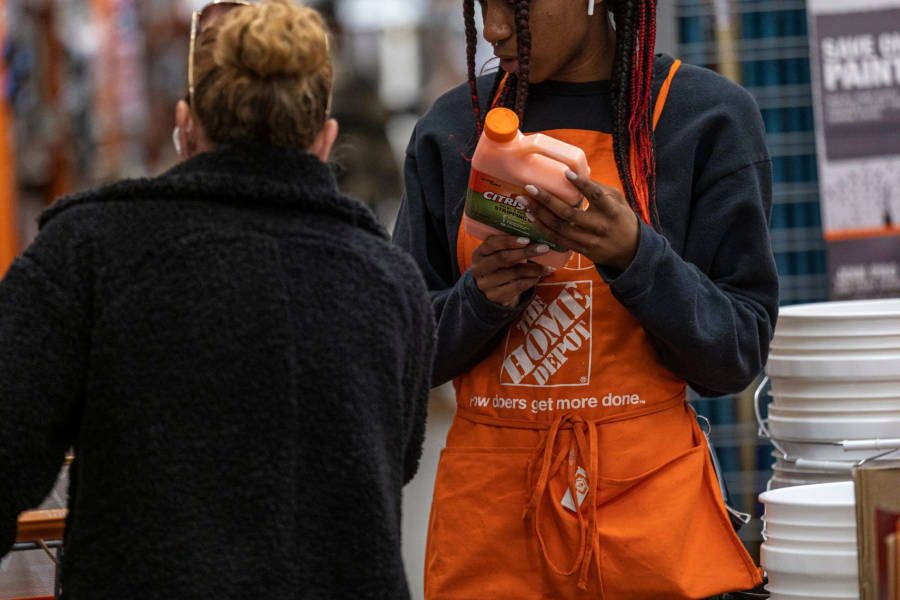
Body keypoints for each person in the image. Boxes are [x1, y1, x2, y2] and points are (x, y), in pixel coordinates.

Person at [0, 1, 434, 598]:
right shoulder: (390, 283)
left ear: (186, 125)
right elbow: (395, 461)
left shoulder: (85, 252)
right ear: (325, 138)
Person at [393, 0, 778, 599]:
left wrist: (635, 257)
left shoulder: (700, 118)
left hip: (650, 534)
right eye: (481, 6)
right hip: (492, 538)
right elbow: (403, 353)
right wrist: (480, 300)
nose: (494, 29)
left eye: (515, 6)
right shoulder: (455, 128)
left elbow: (734, 354)